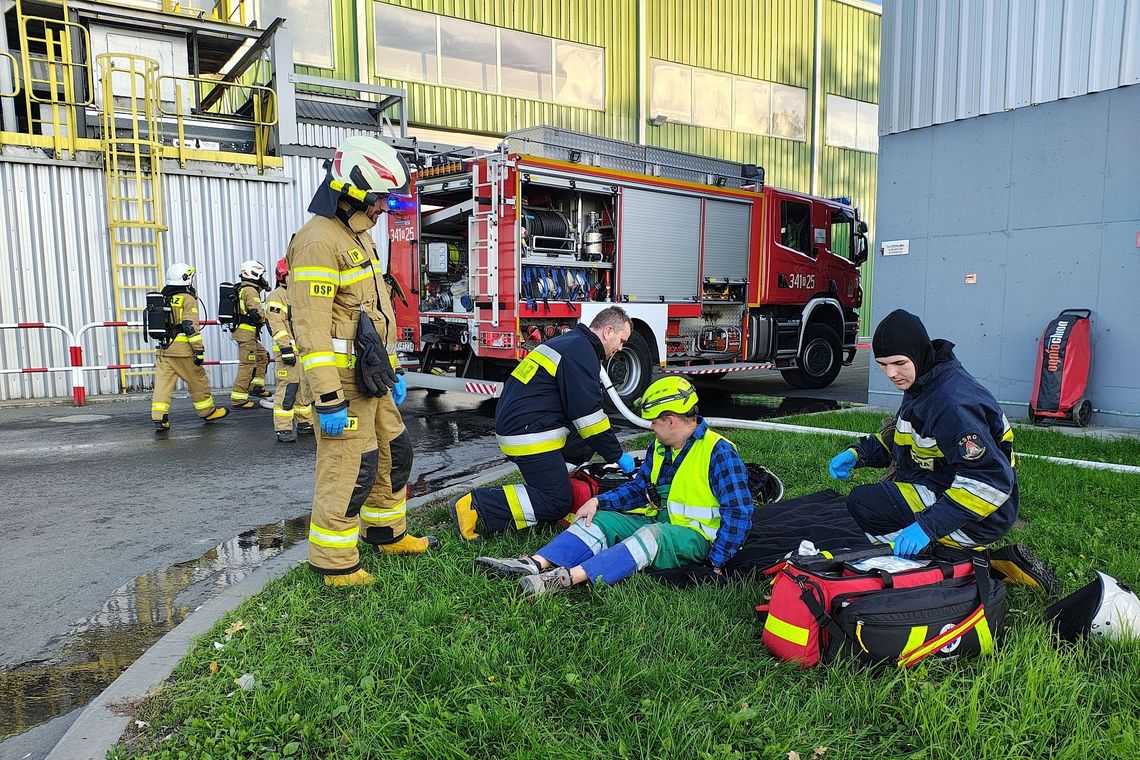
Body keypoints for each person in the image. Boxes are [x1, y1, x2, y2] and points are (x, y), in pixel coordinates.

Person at [289, 135, 437, 588]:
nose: (382, 208)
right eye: (379, 199)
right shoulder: (319, 242)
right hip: (344, 387)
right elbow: (312, 330)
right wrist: (328, 398)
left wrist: (390, 373)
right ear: (352, 192)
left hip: (372, 380)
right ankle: (334, 564)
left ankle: (384, 531)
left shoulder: (357, 236)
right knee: (346, 471)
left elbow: (371, 317)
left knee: (393, 453)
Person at [475, 376, 754, 599]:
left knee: (651, 535)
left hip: (697, 537)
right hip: (659, 518)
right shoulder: (660, 446)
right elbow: (638, 488)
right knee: (598, 520)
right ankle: (534, 563)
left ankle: (564, 579)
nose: (651, 428)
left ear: (671, 420)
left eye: (654, 422)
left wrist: (715, 563)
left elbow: (738, 513)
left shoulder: (719, 452)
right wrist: (599, 502)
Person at [829, 309, 1019, 557]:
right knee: (869, 502)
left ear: (918, 355)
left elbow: (989, 482)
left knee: (865, 503)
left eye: (899, 363)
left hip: (981, 517)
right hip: (944, 485)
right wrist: (858, 453)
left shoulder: (951, 403)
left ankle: (938, 555)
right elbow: (904, 438)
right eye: (882, 365)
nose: (891, 374)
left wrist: (927, 528)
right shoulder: (924, 382)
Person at [449, 307, 638, 542]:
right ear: (608, 331)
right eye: (621, 340)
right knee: (557, 502)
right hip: (528, 434)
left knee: (585, 443)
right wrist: (618, 456)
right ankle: (476, 506)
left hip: (523, 425)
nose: (620, 348)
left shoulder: (572, 343)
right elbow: (590, 419)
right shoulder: (581, 353)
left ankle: (558, 478)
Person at [150, 263, 229, 431]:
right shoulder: (188, 299)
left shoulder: (165, 297)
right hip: (182, 350)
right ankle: (207, 412)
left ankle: (159, 417)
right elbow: (189, 325)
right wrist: (198, 350)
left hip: (164, 348)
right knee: (198, 379)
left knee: (163, 384)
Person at [266, 257, 314, 443]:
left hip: (302, 352)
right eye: (290, 275)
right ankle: (283, 428)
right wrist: (285, 348)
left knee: (303, 390)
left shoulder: (300, 294)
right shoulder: (277, 296)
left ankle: (304, 423)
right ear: (282, 276)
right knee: (287, 391)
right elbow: (275, 322)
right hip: (288, 353)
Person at [228, 260, 271, 409]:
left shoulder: (245, 288)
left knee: (262, 356)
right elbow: (257, 313)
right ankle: (238, 399)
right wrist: (272, 317)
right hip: (246, 333)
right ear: (255, 273)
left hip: (246, 333)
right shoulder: (250, 291)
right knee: (247, 364)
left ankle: (256, 387)